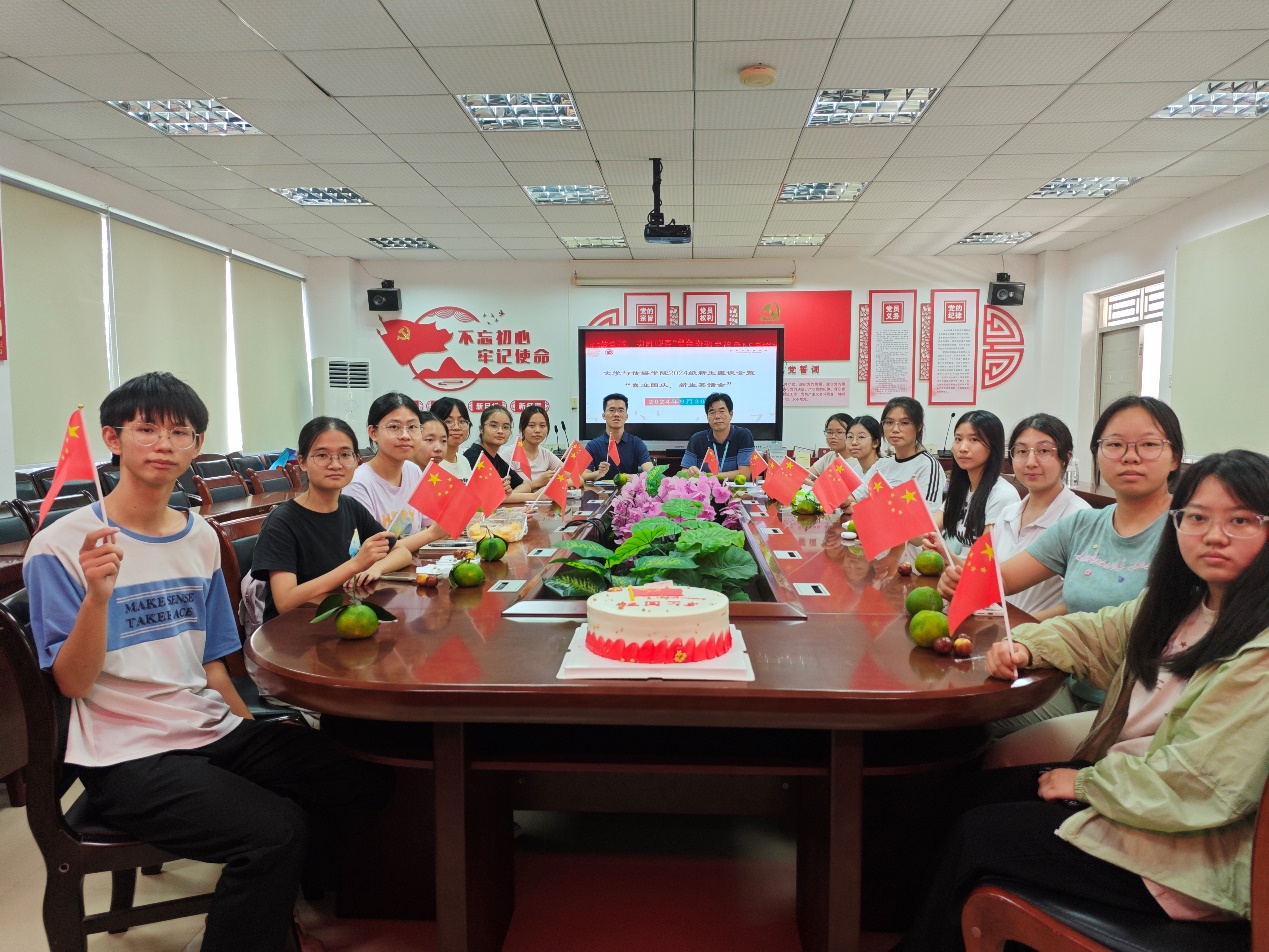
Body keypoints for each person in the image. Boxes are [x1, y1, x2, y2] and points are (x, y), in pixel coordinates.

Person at [22, 372, 390, 952]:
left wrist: (247, 738)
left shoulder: (199, 537)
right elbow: (71, 681)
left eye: (181, 432)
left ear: (197, 446)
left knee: (354, 772)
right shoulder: (64, 546)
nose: (164, 444)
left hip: (204, 725)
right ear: (112, 438)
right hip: (125, 753)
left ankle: (293, 908)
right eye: (147, 429)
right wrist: (97, 598)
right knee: (275, 831)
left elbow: (215, 663)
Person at [897, 450, 1269, 951]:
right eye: (1197, 518)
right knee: (952, 796)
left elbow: (1200, 784)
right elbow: (1099, 632)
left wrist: (1087, 784)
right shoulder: (1181, 603)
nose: (1214, 535)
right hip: (1135, 794)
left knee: (977, 832)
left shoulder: (1260, 651)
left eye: (1240, 520)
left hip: (1186, 856)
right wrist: (1029, 646)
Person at [940, 395, 1184, 735]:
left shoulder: (1187, 531)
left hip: (1136, 704)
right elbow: (1002, 578)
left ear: (1175, 458)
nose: (1130, 455)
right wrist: (959, 578)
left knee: (973, 727)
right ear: (1097, 454)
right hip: (1066, 681)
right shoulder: (1083, 525)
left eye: (1148, 444)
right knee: (955, 707)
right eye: (1115, 444)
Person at [252, 416, 411, 622]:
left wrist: (375, 568)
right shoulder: (282, 521)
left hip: (346, 619)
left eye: (345, 455)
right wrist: (355, 565)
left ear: (357, 460)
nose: (335, 464)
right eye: (322, 455)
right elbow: (285, 602)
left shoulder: (351, 507)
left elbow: (402, 552)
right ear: (302, 462)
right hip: (296, 630)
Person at [992, 413, 1090, 620]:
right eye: (1021, 451)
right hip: (999, 626)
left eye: (1044, 451)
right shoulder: (1008, 514)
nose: (1030, 462)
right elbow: (995, 576)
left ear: (1066, 458)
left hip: (1041, 634)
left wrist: (1023, 626)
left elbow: (1081, 603)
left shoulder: (1081, 519)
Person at [344, 393, 449, 552]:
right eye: (394, 427)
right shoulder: (358, 483)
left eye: (412, 427)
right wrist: (431, 534)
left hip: (413, 564)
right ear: (373, 433)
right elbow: (373, 552)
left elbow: (431, 522)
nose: (405, 436)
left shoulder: (413, 470)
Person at [931, 410, 1019, 560]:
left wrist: (947, 556)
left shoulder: (1003, 495)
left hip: (980, 572)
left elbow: (984, 562)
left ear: (993, 446)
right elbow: (927, 531)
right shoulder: (961, 489)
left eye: (974, 439)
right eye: (958, 439)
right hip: (956, 569)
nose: (962, 448)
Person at [680, 392, 754, 480]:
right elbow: (683, 472)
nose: (717, 416)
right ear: (707, 417)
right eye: (712, 412)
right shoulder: (696, 439)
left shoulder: (743, 435)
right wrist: (690, 472)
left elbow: (745, 473)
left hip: (734, 488)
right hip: (705, 488)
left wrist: (707, 476)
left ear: (731, 414)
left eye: (722, 411)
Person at [462, 404, 527, 499]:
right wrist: (534, 496)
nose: (500, 431)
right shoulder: (474, 456)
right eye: (493, 426)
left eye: (505, 427)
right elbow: (486, 498)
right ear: (481, 429)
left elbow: (525, 486)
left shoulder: (496, 458)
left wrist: (505, 495)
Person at [583, 392, 652, 479]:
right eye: (611, 410)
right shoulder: (593, 445)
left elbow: (651, 473)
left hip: (629, 487)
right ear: (604, 415)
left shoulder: (637, 443)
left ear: (626, 416)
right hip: (601, 488)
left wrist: (636, 477)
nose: (616, 414)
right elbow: (583, 476)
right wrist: (598, 473)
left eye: (621, 410)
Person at [502, 404, 562, 490]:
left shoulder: (546, 454)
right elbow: (505, 490)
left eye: (542, 426)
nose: (537, 430)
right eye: (531, 425)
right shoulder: (510, 453)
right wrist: (538, 482)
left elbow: (573, 476)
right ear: (522, 428)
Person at [430, 396, 473, 480]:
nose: (456, 427)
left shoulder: (464, 461)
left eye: (462, 421)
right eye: (449, 421)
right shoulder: (431, 462)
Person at [807, 413, 857, 479]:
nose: (833, 436)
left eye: (839, 432)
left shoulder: (858, 461)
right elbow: (805, 476)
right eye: (830, 432)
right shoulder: (829, 457)